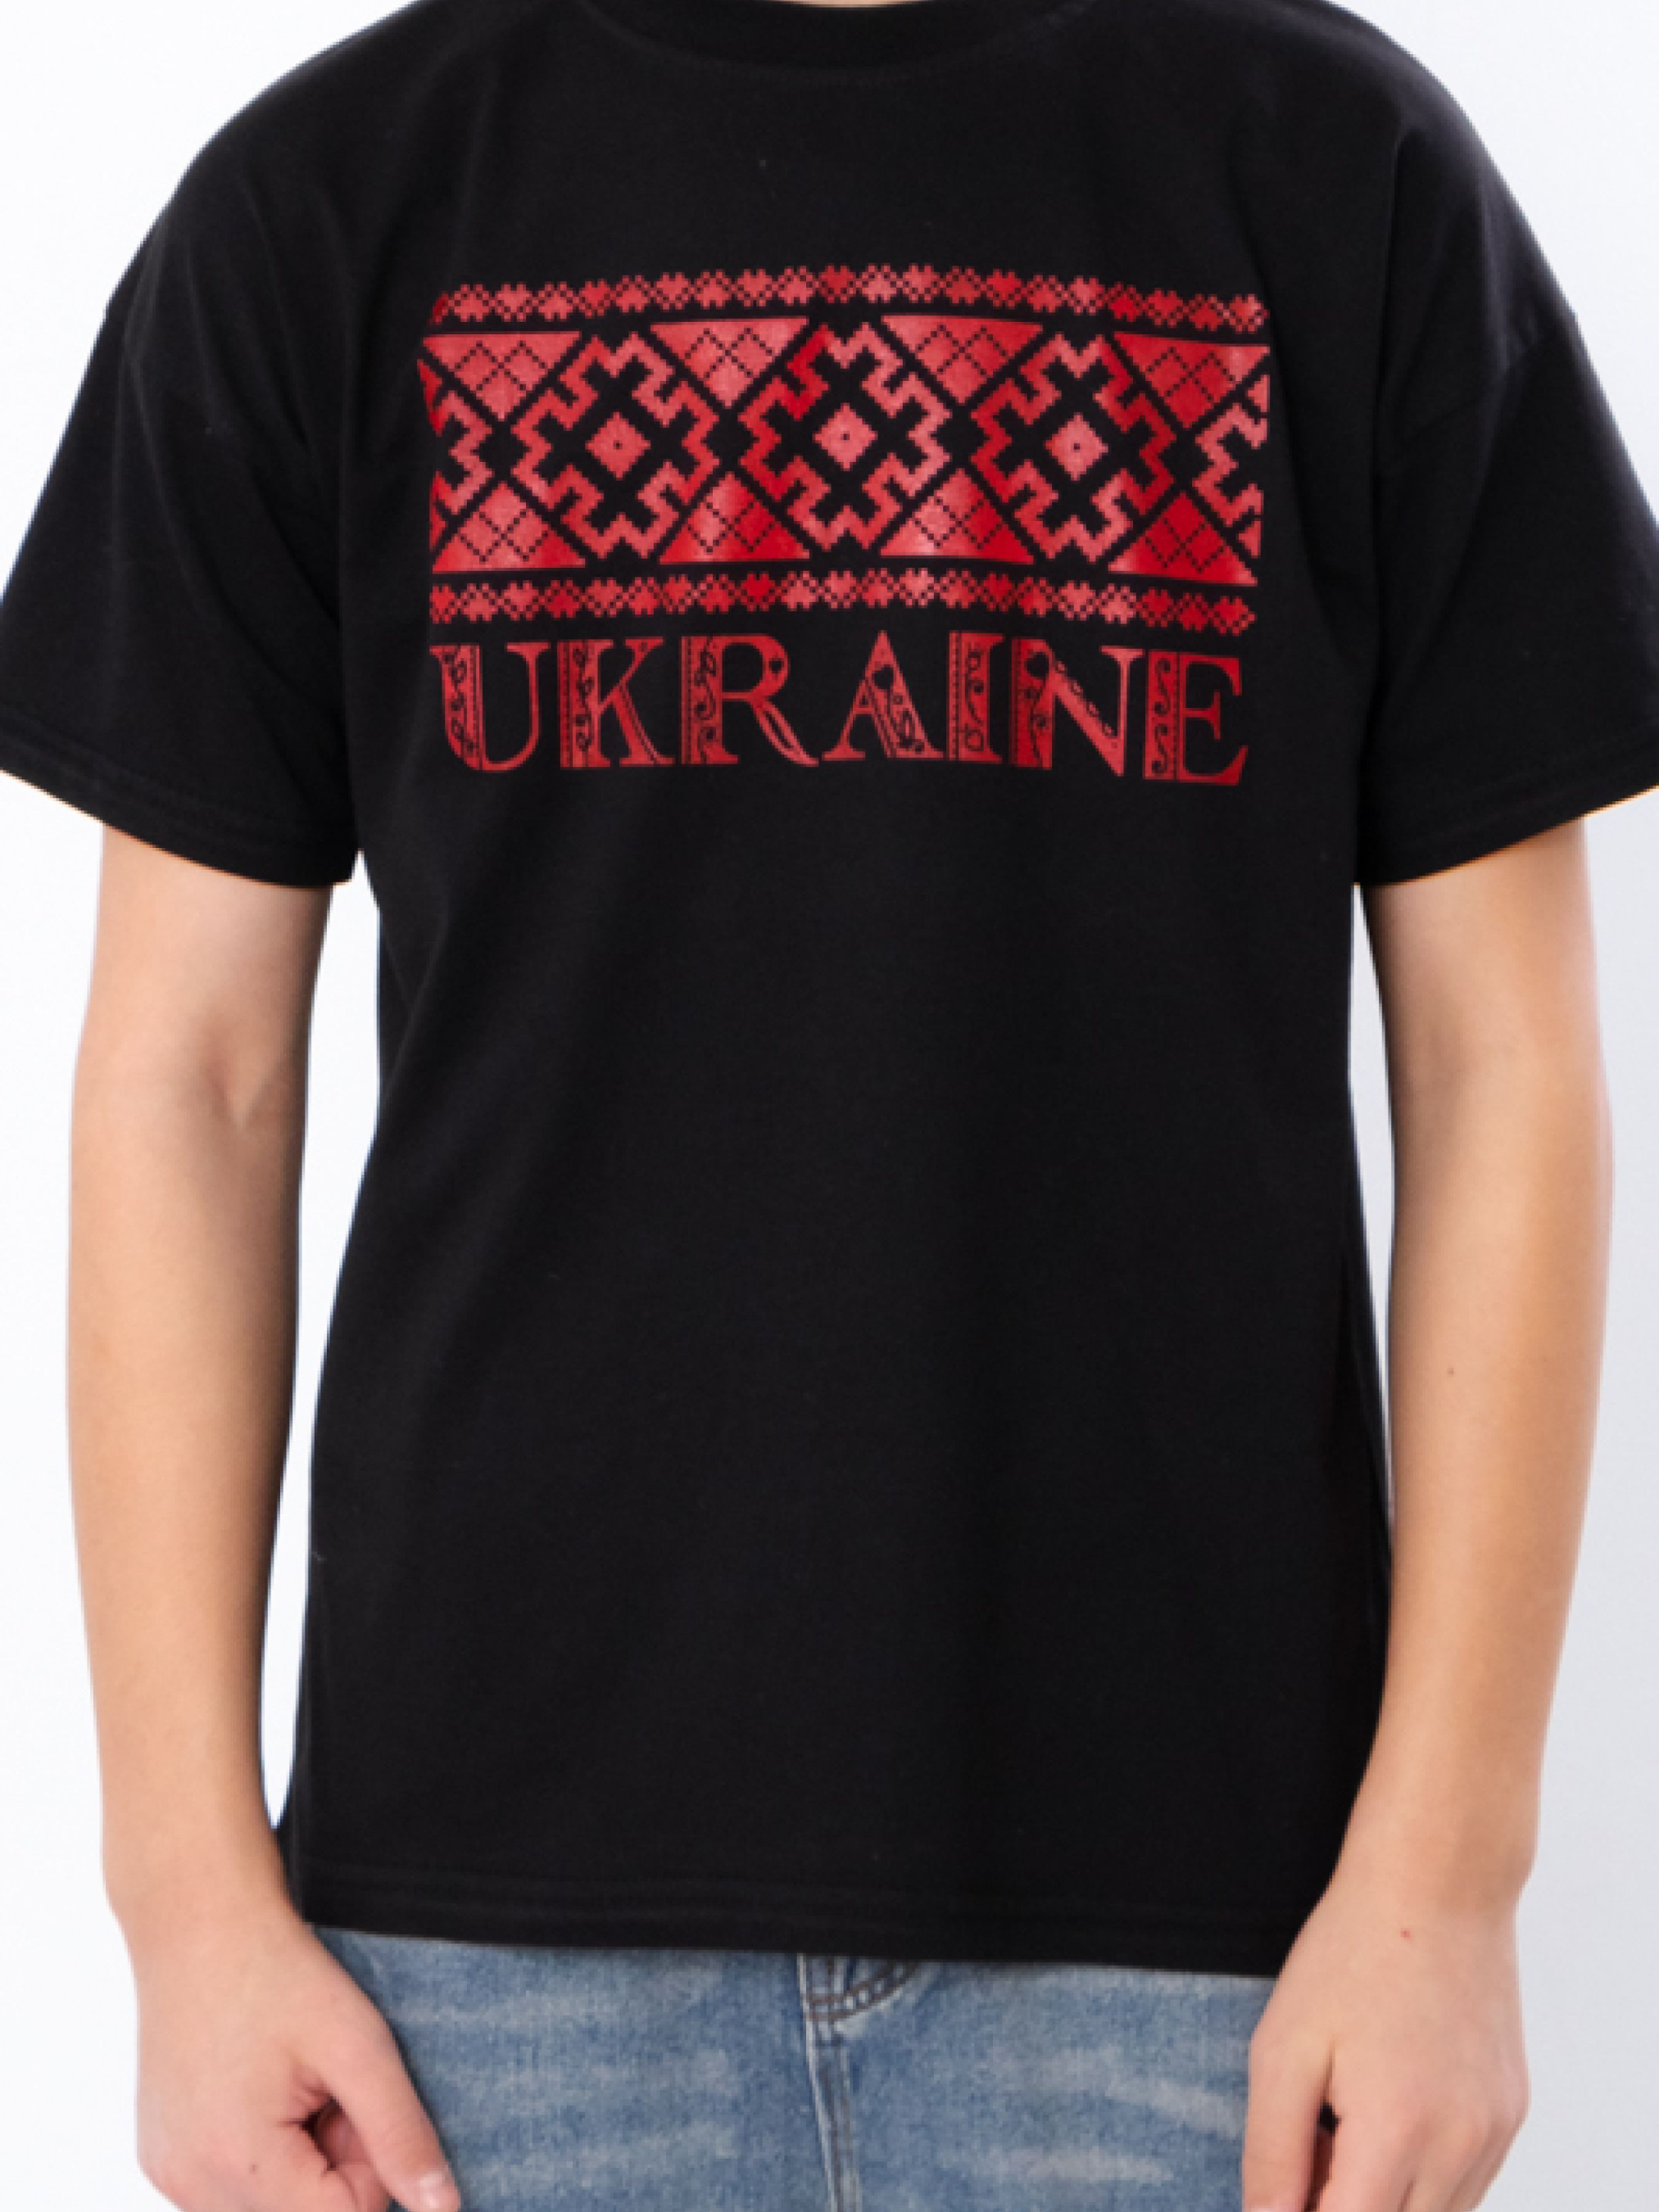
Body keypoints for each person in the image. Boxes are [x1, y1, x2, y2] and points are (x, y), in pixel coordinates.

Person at [2, 0, 1657, 2204]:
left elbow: (1504, 1060)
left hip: (1211, 1954)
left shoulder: (1338, 172)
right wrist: (183, 1901)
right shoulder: (328, 203)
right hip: (466, 1974)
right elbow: (185, 1082)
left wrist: (1451, 1870)